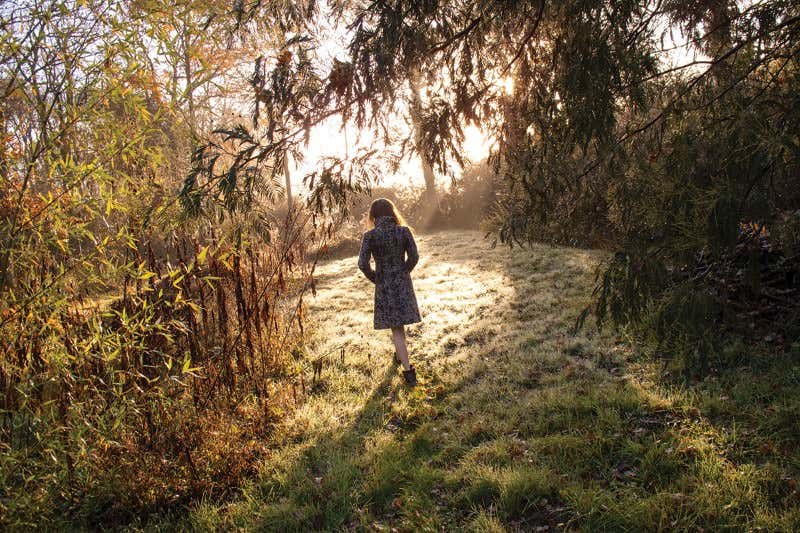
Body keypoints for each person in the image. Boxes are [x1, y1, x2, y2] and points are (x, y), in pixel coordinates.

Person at [358, 198, 421, 386]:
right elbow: (414, 256)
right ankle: (400, 356)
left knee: (396, 327)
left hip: (384, 284)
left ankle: (408, 372)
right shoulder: (403, 231)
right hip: (402, 282)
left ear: (373, 216)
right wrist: (404, 272)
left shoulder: (370, 236)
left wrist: (377, 279)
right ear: (393, 212)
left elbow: (362, 264)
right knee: (398, 325)